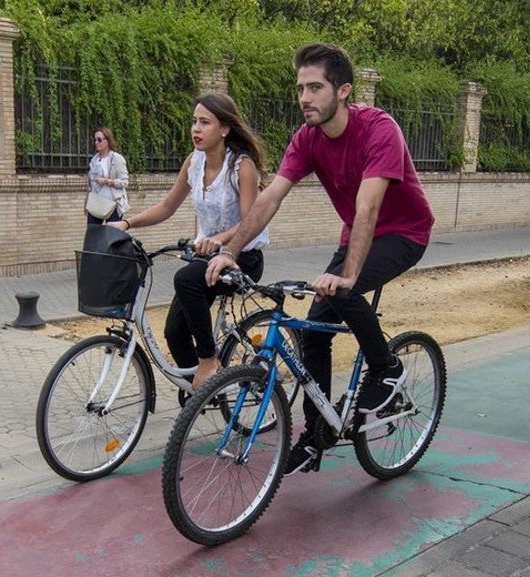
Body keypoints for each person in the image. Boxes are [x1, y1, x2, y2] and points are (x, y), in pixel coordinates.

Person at [205, 43, 434, 474]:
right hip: (357, 235)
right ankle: (317, 433)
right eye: (300, 89)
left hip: (403, 233)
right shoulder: (307, 138)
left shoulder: (379, 129)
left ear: (343, 90)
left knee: (343, 290)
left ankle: (386, 368)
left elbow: (368, 206)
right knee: (313, 329)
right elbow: (271, 196)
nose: (304, 98)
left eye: (315, 87)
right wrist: (231, 252)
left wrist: (347, 275)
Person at [108, 93, 270, 389]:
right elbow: (167, 206)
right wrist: (126, 223)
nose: (196, 128)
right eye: (194, 121)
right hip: (207, 257)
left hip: (242, 256)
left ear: (224, 128)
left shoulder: (241, 166)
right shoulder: (194, 163)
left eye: (205, 122)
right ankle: (201, 394)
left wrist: (218, 240)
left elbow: (250, 221)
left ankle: (209, 360)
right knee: (174, 332)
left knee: (185, 279)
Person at [87, 128, 130, 225]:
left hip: (113, 203)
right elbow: (90, 186)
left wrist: (107, 181)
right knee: (92, 231)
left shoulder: (116, 158)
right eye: (95, 140)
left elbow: (124, 182)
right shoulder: (94, 160)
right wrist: (86, 204)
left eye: (99, 140)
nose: (96, 142)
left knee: (111, 232)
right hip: (96, 202)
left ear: (107, 141)